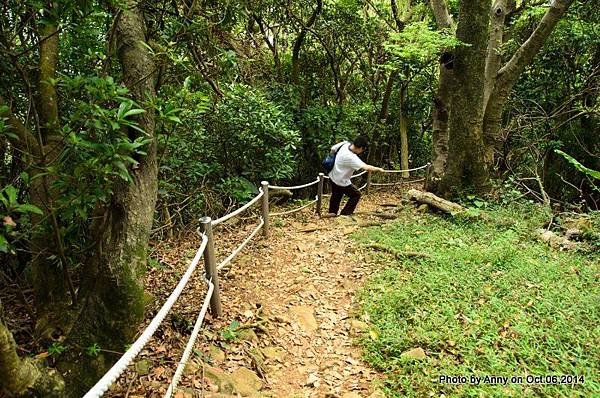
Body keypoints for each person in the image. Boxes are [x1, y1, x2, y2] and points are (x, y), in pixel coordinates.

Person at [328, 135, 384, 216]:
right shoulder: (351, 158)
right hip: (341, 181)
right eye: (363, 150)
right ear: (360, 148)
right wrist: (378, 169)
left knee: (336, 196)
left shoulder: (345, 144)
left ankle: (331, 214)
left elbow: (332, 149)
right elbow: (366, 167)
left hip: (333, 175)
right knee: (356, 195)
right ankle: (345, 214)